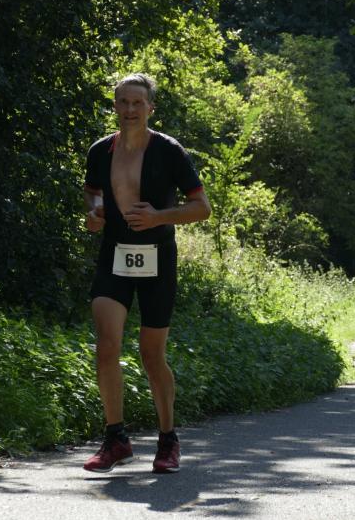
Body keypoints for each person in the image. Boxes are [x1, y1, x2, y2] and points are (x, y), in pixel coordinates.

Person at [81, 73, 211, 473]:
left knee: (152, 355)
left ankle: (168, 439)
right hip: (114, 256)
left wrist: (158, 216)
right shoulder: (100, 151)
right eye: (123, 102)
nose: (130, 109)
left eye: (138, 102)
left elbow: (202, 208)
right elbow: (92, 194)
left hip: (157, 259)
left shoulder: (169, 151)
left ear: (150, 108)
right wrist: (93, 214)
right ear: (115, 106)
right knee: (107, 345)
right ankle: (116, 438)